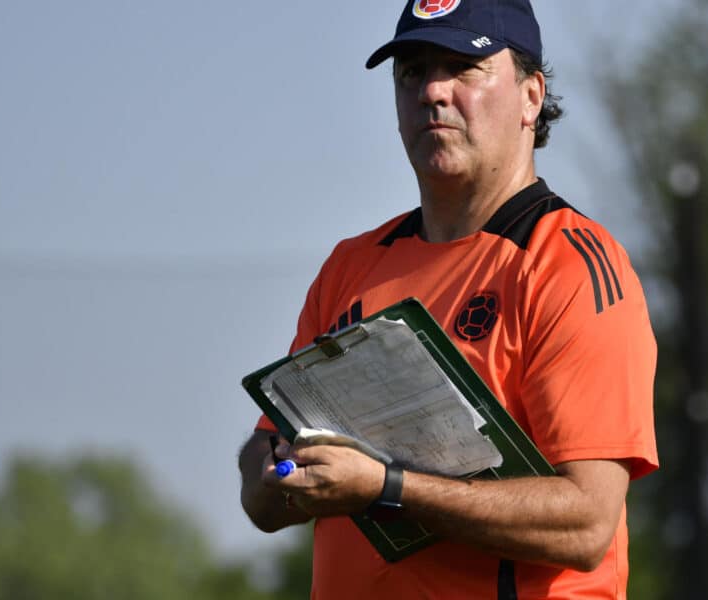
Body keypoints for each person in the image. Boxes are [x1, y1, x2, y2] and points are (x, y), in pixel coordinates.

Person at [238, 1, 658, 598]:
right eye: (412, 71)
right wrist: (279, 468)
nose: (433, 90)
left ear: (531, 97)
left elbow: (587, 523)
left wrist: (387, 486)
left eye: (462, 67)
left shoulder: (570, 265)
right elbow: (265, 486)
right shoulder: (351, 266)